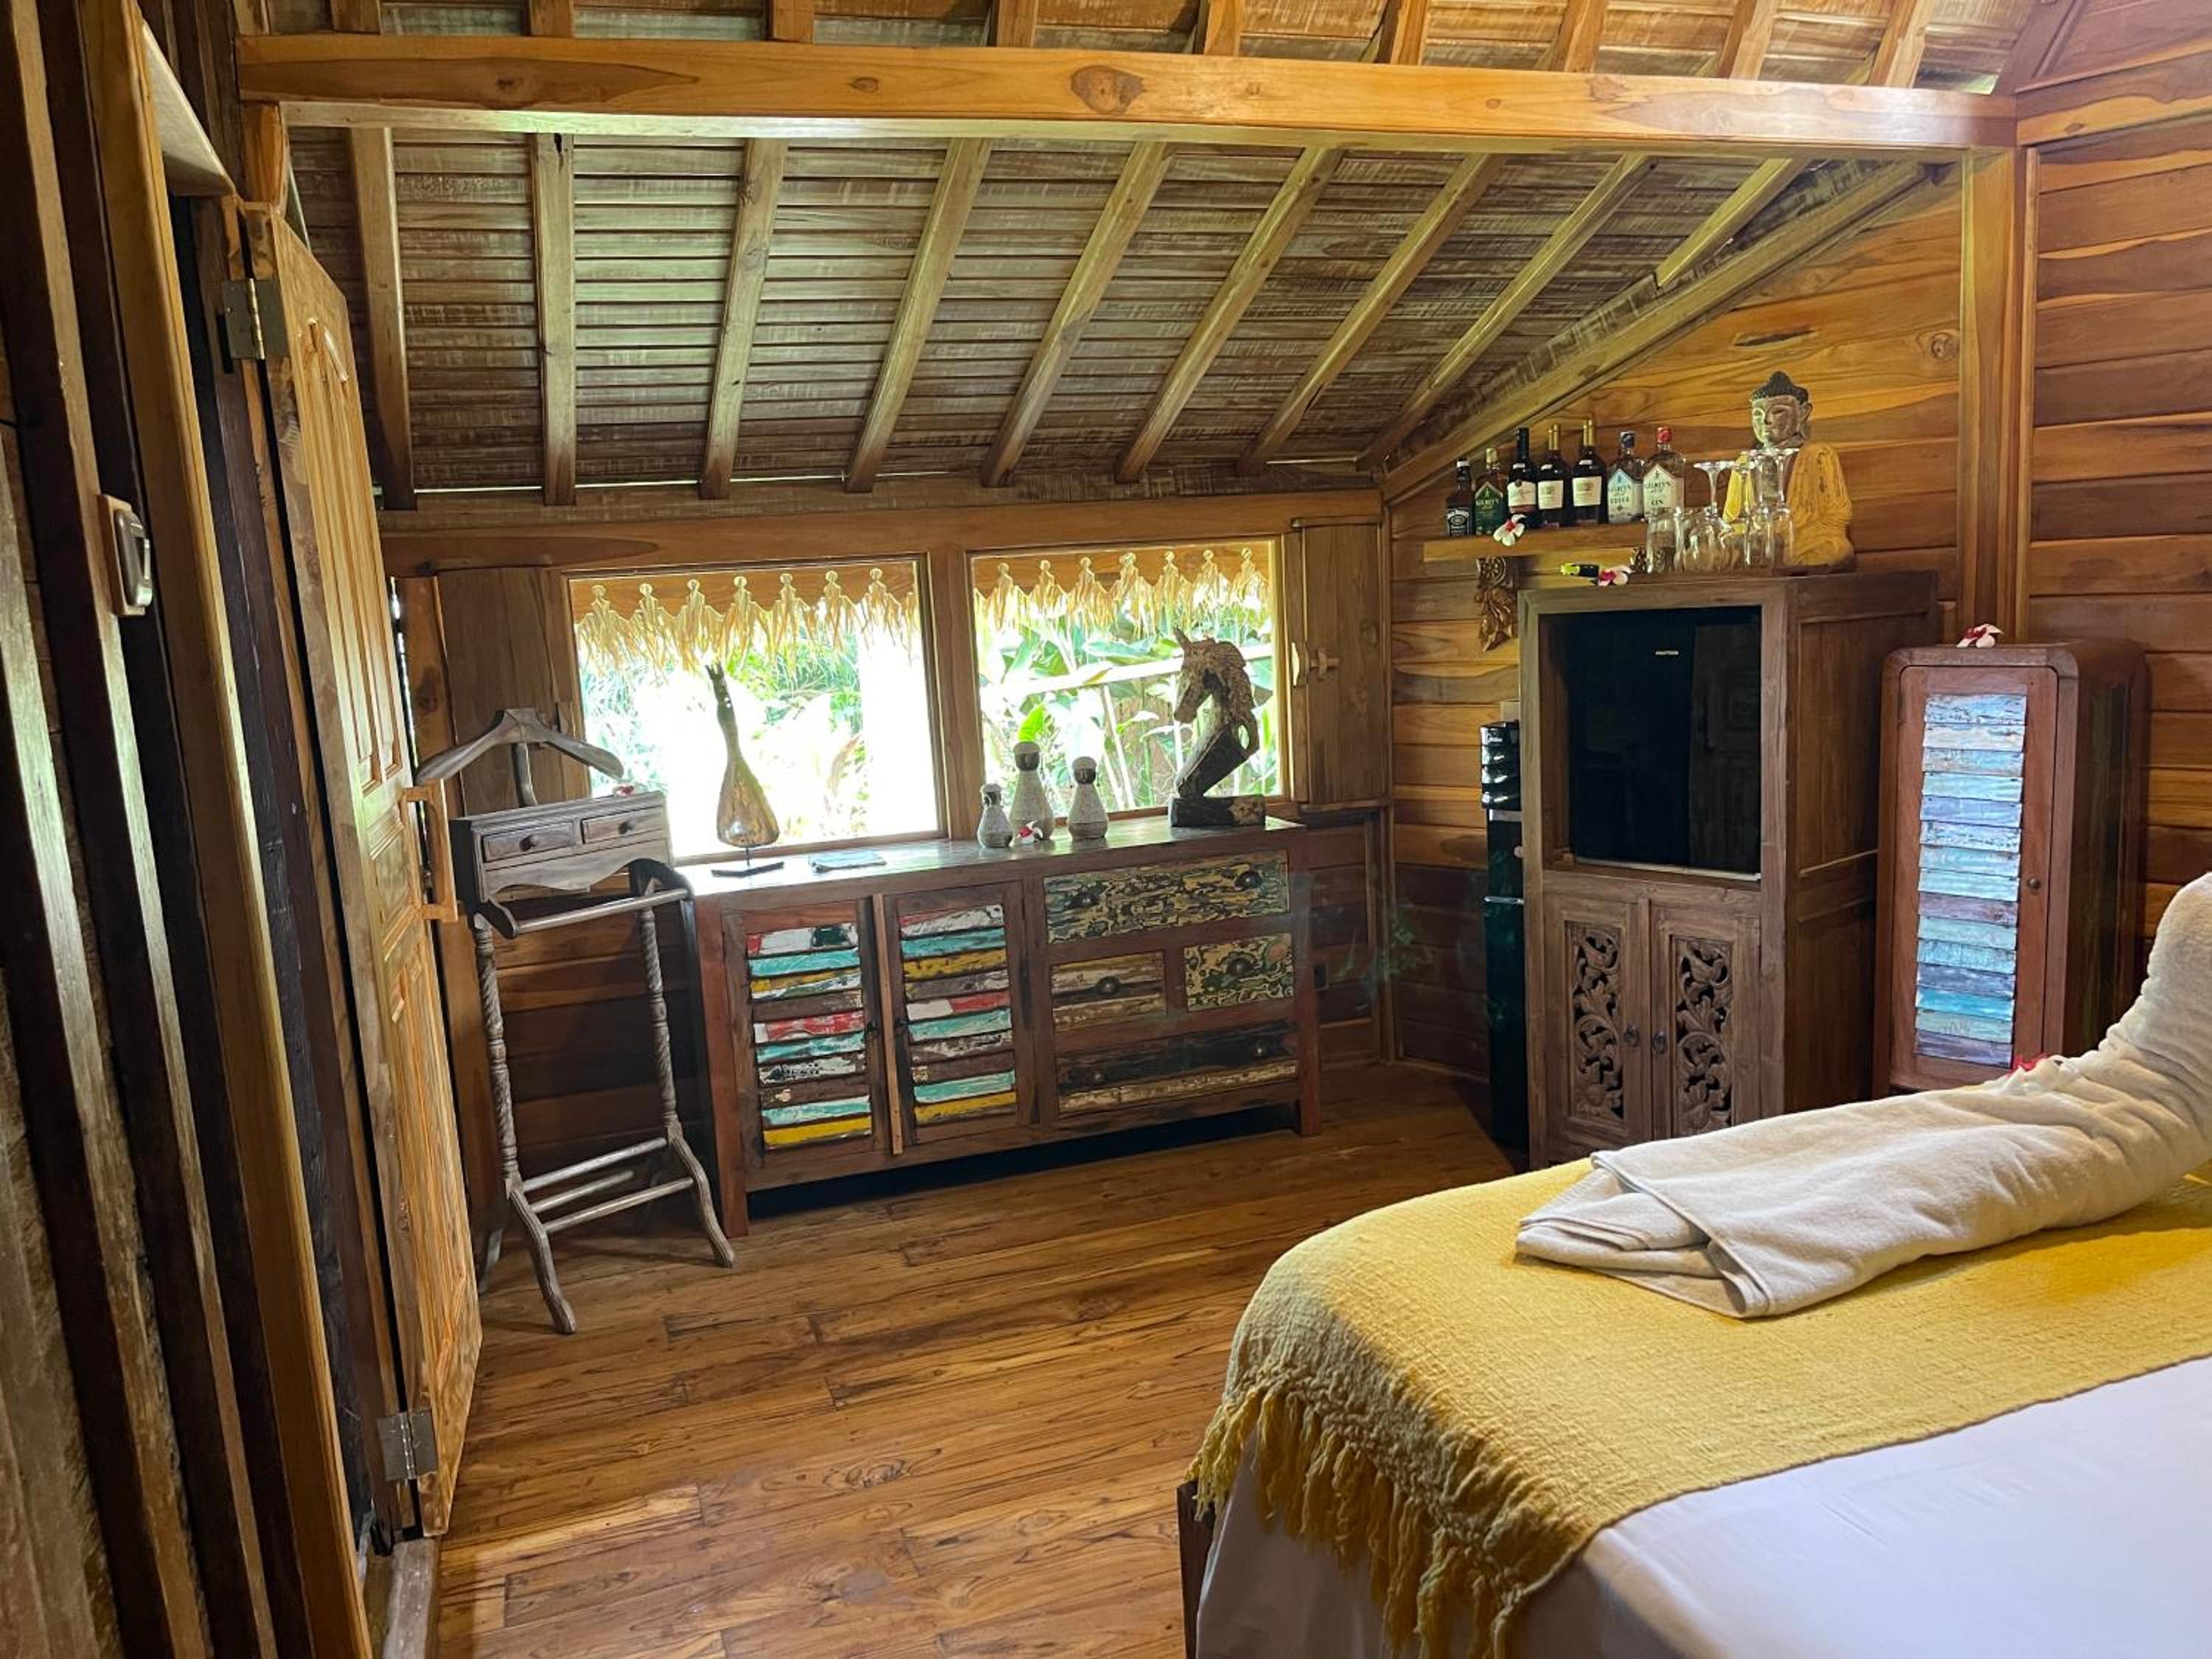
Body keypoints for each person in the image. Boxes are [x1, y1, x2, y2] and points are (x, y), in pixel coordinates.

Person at [1724, 370, 1854, 570]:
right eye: (1758, 414)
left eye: (1778, 412)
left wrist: (1787, 538)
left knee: (1837, 549)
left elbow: (1838, 515)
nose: (1766, 421)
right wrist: (1750, 537)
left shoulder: (1818, 454)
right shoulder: (1744, 462)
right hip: (1756, 543)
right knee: (1709, 550)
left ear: (1803, 413)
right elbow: (1731, 519)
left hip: (1801, 541)